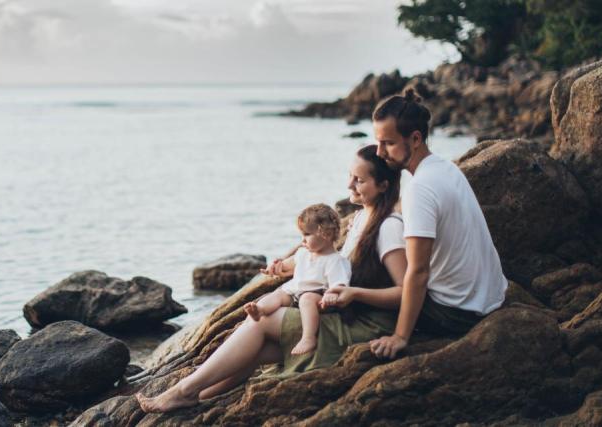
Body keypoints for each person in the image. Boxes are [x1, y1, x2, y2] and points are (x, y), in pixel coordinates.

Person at [136, 144, 406, 413]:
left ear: (383, 185)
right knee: (258, 347)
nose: (349, 184)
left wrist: (356, 294)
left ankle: (183, 391)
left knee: (261, 322)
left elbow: (406, 293)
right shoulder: (360, 217)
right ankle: (201, 395)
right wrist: (291, 264)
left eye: (359, 180)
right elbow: (328, 257)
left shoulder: (389, 228)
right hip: (344, 313)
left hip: (365, 325)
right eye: (350, 175)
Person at [368, 88, 508, 360]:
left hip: (457, 313)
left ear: (416, 138)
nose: (379, 152)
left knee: (370, 284)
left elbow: (418, 273)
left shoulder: (419, 188)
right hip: (491, 298)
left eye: (388, 143)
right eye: (377, 142)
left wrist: (400, 337)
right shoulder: (444, 167)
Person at [243, 203, 352, 356]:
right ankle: (260, 310)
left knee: (307, 299)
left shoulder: (335, 260)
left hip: (318, 297)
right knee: (278, 294)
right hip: (295, 292)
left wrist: (332, 294)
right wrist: (275, 267)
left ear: (325, 234)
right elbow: (287, 265)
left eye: (307, 235)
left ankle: (308, 338)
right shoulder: (303, 253)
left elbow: (339, 283)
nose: (302, 240)